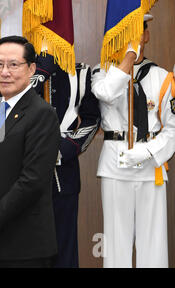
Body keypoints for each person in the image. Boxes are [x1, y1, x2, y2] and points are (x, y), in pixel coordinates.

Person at [91, 15, 175, 268]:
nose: (131, 38)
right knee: (117, 241)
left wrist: (149, 151)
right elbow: (106, 93)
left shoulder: (164, 77)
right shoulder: (103, 72)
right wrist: (128, 58)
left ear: (146, 35)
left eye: (136, 32)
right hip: (116, 165)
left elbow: (173, 128)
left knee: (154, 241)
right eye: (124, 33)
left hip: (151, 167)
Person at [0, 36, 60, 268]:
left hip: (25, 244)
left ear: (31, 69)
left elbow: (33, 181)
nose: (4, 72)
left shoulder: (42, 113)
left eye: (13, 65)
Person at [33, 55, 100, 267]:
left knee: (65, 247)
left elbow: (92, 118)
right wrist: (40, 75)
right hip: (25, 171)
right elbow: (5, 110)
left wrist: (66, 149)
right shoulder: (20, 69)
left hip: (64, 174)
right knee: (27, 248)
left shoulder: (80, 72)